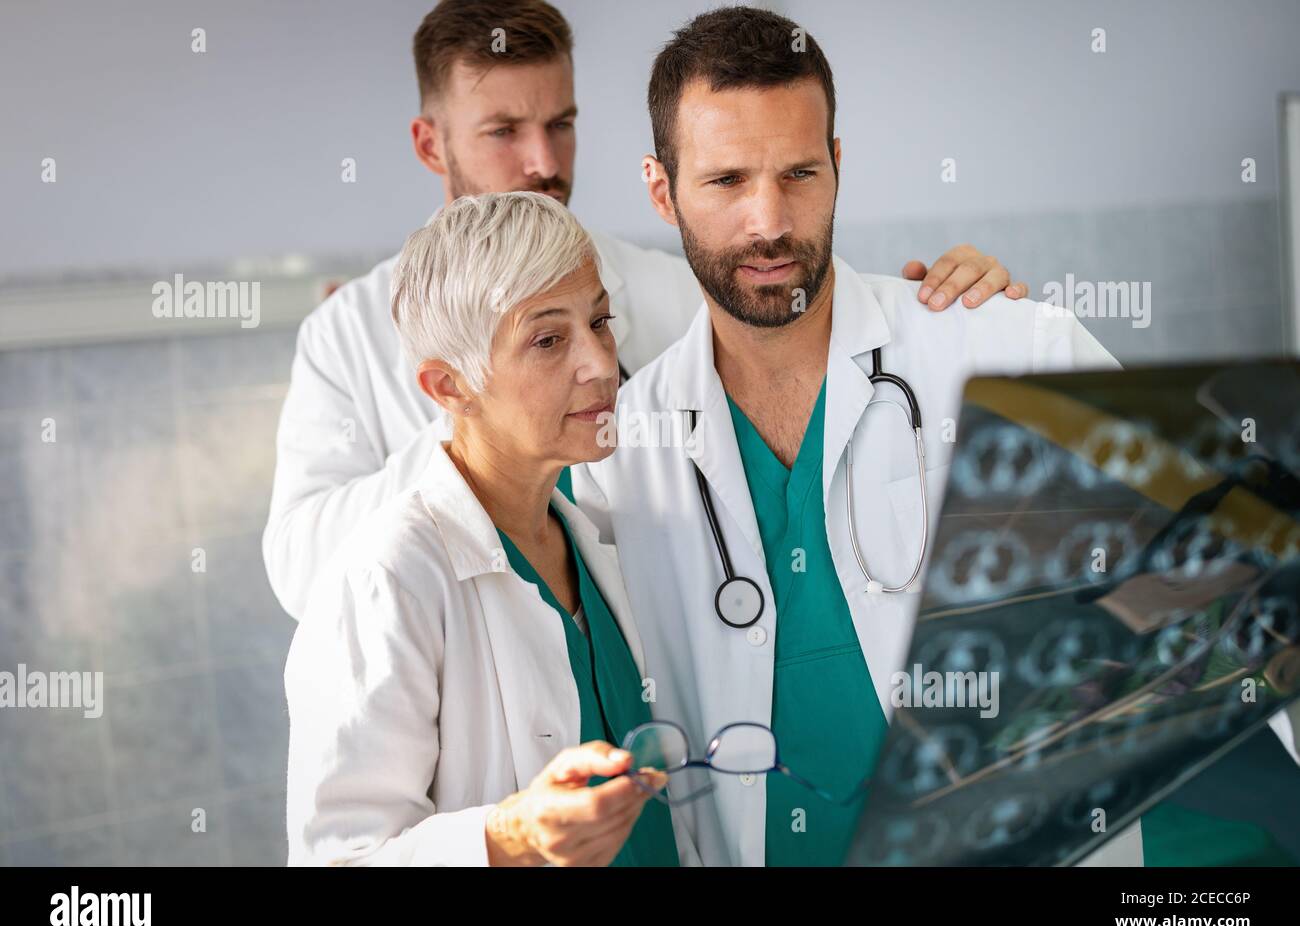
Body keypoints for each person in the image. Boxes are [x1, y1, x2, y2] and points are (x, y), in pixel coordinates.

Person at [570, 5, 1300, 868]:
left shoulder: (1001, 344)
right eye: (727, 181)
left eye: (799, 173)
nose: (768, 222)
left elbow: (1248, 555)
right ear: (663, 189)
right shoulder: (618, 454)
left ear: (838, 166)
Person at [262, 0, 1026, 621]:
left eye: (561, 124)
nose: (543, 162)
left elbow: (795, 325)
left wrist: (954, 305)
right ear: (432, 145)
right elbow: (302, 572)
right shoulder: (348, 334)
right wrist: (486, 428)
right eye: (503, 132)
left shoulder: (667, 287)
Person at [285, 191, 695, 866]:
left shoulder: (590, 540)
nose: (597, 362)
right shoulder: (386, 579)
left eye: (599, 321)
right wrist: (509, 838)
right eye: (547, 339)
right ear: (449, 388)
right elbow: (340, 859)